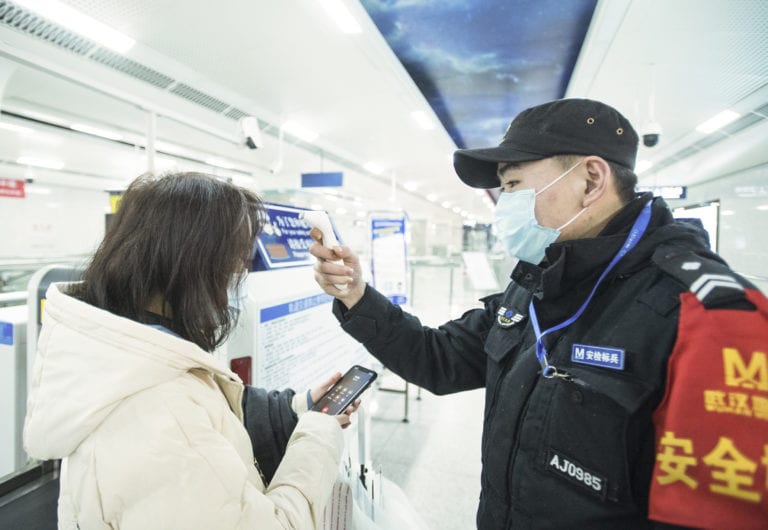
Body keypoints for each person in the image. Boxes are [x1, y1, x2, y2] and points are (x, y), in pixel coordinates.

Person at [309, 98, 768, 529]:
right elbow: (439, 358)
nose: (505, 205)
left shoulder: (705, 317)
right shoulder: (536, 282)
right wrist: (356, 294)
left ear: (591, 180)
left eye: (512, 185)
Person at [24, 172, 358, 529]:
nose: (237, 274)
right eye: (236, 260)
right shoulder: (163, 416)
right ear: (196, 265)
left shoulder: (120, 350)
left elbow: (211, 414)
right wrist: (318, 434)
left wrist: (301, 407)